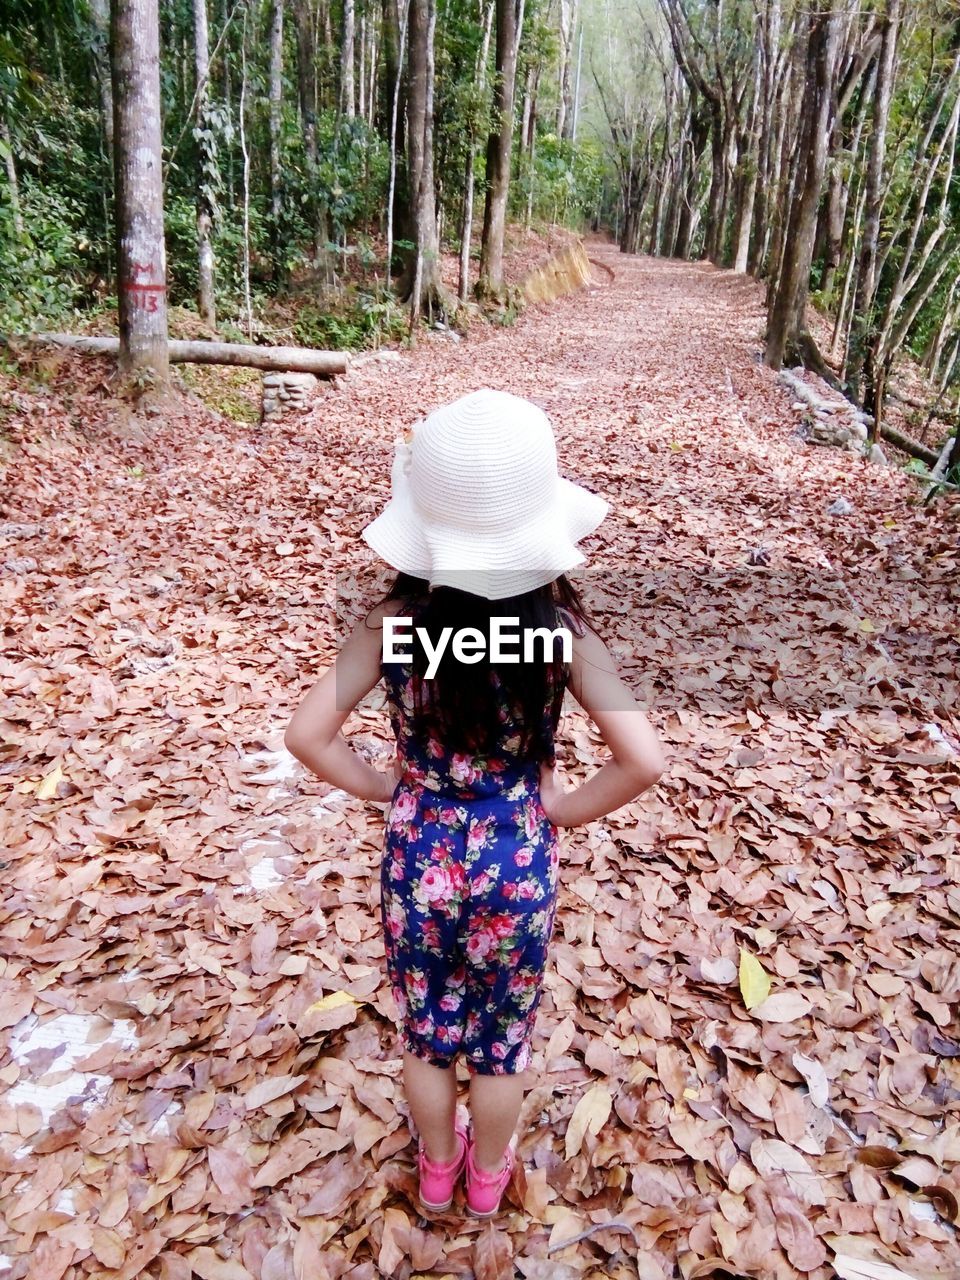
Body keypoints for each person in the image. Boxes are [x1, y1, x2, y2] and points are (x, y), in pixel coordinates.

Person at [284, 388, 663, 1217]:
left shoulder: (393, 627)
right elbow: (643, 760)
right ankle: (489, 1186)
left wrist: (390, 787)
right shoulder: (561, 635)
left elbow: (307, 735)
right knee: (500, 1044)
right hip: (516, 855)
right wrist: (557, 811)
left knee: (428, 1031)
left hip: (419, 852)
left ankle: (435, 1171)